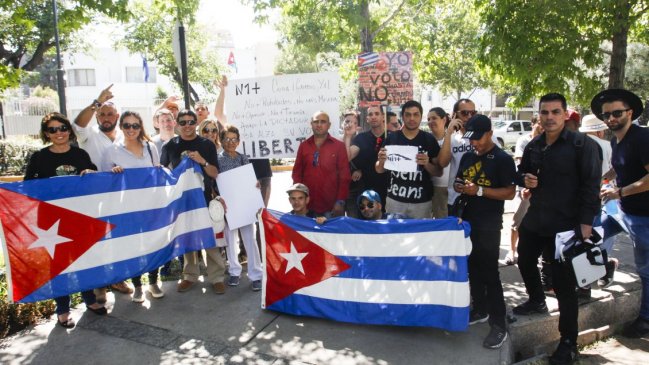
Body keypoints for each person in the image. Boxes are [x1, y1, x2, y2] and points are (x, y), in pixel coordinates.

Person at [515, 93, 601, 365]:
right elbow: (521, 172)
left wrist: (586, 223)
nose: (549, 117)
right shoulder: (534, 145)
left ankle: (568, 342)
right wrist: (525, 179)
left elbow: (591, 187)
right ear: (539, 116)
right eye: (544, 112)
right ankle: (536, 300)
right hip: (536, 220)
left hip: (566, 227)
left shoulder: (581, 145)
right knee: (525, 260)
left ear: (565, 114)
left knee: (564, 287)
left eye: (555, 112)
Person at [24, 113, 107, 328]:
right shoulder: (39, 158)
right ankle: (62, 309)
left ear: (69, 130)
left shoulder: (80, 154)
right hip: (51, 222)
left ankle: (89, 300)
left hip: (79, 218)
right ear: (46, 134)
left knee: (82, 260)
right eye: (52, 129)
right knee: (58, 266)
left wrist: (90, 173)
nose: (58, 132)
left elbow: (95, 178)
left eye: (62, 128)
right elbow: (28, 188)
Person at [453, 114, 517, 349]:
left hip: (489, 224)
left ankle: (499, 325)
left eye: (478, 139)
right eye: (471, 139)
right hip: (467, 223)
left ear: (490, 133)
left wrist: (479, 191)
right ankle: (479, 309)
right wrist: (460, 186)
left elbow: (510, 193)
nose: (474, 143)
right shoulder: (468, 155)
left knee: (490, 274)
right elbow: (458, 182)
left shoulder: (502, 159)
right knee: (472, 269)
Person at [594, 89, 649, 338]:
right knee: (593, 236)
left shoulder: (642, 138)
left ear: (630, 113)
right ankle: (599, 273)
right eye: (607, 115)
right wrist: (604, 178)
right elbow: (619, 166)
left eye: (617, 113)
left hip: (643, 215)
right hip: (622, 210)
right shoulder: (617, 140)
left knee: (645, 268)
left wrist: (620, 192)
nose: (611, 118)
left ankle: (645, 319)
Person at [73, 84, 132, 298]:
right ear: (97, 116)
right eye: (102, 114)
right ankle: (99, 288)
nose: (106, 117)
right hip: (92, 197)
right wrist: (96, 102)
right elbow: (77, 125)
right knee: (95, 241)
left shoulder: (124, 138)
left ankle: (117, 279)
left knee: (117, 240)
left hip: (118, 198)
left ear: (117, 116)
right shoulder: (88, 136)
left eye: (110, 113)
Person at [160, 109, 227, 294]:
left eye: (191, 122)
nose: (187, 126)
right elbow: (163, 173)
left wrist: (202, 161)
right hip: (182, 201)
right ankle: (190, 275)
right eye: (183, 122)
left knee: (210, 239)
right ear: (177, 124)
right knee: (187, 237)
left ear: (197, 123)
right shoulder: (169, 146)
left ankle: (217, 277)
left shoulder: (206, 144)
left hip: (204, 198)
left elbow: (214, 173)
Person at [101, 111, 164, 303]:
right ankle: (138, 285)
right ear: (121, 126)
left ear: (140, 127)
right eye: (127, 125)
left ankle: (153, 282)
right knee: (133, 247)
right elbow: (103, 180)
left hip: (150, 204)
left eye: (135, 126)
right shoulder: (112, 150)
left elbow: (157, 172)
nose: (131, 130)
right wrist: (113, 172)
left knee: (154, 244)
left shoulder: (150, 147)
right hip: (126, 207)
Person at [376, 100, 441, 218]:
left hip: (422, 201)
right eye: (408, 114)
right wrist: (381, 161)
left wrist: (427, 164)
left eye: (416, 114)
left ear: (421, 117)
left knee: (420, 235)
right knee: (393, 235)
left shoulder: (429, 139)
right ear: (402, 116)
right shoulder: (392, 138)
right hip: (395, 200)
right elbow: (379, 170)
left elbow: (439, 172)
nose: (412, 118)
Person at [218, 125, 264, 291]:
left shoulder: (243, 158)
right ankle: (234, 271)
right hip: (228, 207)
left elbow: (249, 179)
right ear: (221, 141)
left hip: (244, 206)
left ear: (238, 141)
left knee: (250, 239)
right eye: (227, 139)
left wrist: (255, 184)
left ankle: (256, 274)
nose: (231, 142)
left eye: (234, 139)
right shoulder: (218, 159)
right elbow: (216, 182)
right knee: (230, 240)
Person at [437, 98, 500, 215]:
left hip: (484, 199)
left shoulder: (489, 137)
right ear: (455, 115)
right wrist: (449, 132)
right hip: (457, 199)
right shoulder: (451, 139)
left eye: (473, 113)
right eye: (465, 113)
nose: (469, 116)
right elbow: (442, 163)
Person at [293, 111, 351, 216]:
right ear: (311, 124)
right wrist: (298, 198)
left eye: (323, 122)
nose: (319, 125)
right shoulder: (304, 146)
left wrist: (340, 201)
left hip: (332, 207)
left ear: (329, 125)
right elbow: (297, 173)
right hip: (307, 207)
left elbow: (345, 176)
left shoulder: (339, 146)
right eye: (316, 122)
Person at [506, 115, 543, 266]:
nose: (542, 126)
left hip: (542, 192)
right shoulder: (525, 141)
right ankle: (512, 250)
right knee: (517, 221)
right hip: (525, 189)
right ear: (533, 124)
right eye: (539, 123)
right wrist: (526, 185)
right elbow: (521, 163)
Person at [343, 106, 389, 209]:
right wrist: (348, 136)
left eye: (377, 114)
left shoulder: (392, 136)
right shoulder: (361, 138)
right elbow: (347, 158)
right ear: (367, 119)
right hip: (366, 190)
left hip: (389, 190)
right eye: (370, 114)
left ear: (383, 117)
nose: (373, 117)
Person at [427, 107, 451, 218]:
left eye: (434, 118)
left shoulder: (453, 139)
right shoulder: (425, 140)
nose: (430, 122)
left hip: (450, 188)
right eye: (428, 119)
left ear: (444, 120)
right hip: (432, 188)